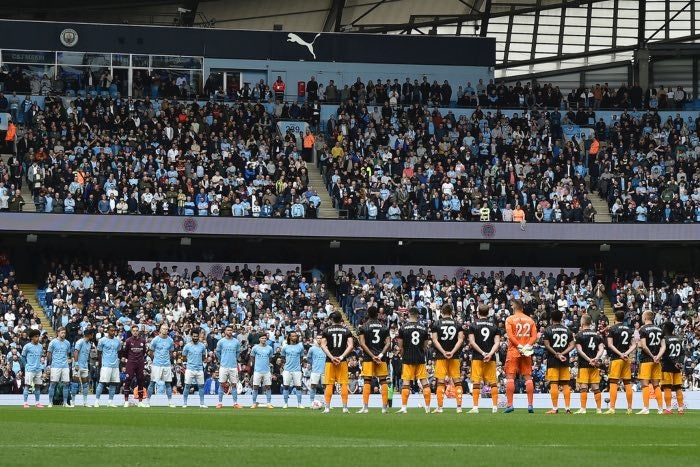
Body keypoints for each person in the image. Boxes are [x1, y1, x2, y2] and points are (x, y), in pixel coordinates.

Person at [504, 299, 537, 413]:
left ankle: (510, 405)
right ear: (522, 307)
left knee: (510, 377)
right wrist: (527, 346)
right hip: (526, 351)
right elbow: (534, 336)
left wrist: (519, 346)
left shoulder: (510, 319)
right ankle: (530, 405)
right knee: (528, 377)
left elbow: (510, 336)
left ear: (514, 306)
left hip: (514, 351)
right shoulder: (530, 320)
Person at [396, 307, 432, 414]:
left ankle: (404, 407)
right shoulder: (423, 328)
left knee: (406, 383)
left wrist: (402, 353)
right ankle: (427, 408)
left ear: (409, 314)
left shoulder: (403, 327)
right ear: (417, 315)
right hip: (420, 358)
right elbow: (426, 346)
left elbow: (400, 345)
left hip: (407, 358)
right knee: (424, 382)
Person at [430, 304, 465, 413]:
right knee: (457, 382)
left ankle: (440, 408)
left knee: (440, 382)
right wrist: (452, 352)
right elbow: (460, 339)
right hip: (454, 356)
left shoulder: (436, 324)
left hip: (441, 356)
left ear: (441, 311)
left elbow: (435, 340)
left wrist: (443, 352)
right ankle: (459, 407)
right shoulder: (458, 324)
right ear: (452, 312)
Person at [468, 305, 502, 414]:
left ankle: (475, 407)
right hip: (490, 358)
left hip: (478, 357)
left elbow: (472, 342)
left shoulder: (473, 325)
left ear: (478, 313)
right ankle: (495, 407)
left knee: (476, 382)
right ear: (488, 313)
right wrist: (490, 354)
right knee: (493, 382)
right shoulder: (494, 326)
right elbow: (497, 343)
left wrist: (483, 353)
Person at [357, 306, 391, 414]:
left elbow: (362, 343)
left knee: (367, 380)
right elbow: (388, 343)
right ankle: (384, 408)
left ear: (368, 314)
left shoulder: (363, 327)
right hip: (381, 358)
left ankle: (365, 408)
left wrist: (372, 356)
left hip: (368, 357)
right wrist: (380, 355)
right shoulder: (384, 327)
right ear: (377, 313)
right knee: (383, 381)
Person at [543, 309, 575, 414]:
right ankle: (567, 408)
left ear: (551, 319)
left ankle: (555, 408)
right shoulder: (567, 330)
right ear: (561, 318)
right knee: (565, 383)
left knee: (554, 383)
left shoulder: (548, 330)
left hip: (553, 360)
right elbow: (572, 345)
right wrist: (563, 353)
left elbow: (547, 345)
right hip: (564, 360)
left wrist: (556, 354)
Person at [321, 311, 354, 413]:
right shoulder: (347, 330)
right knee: (344, 384)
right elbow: (351, 346)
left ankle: (327, 408)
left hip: (330, 361)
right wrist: (341, 357)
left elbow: (323, 345)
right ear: (341, 319)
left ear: (331, 319)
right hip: (342, 361)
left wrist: (332, 357)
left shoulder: (326, 330)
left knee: (329, 384)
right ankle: (344, 408)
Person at [605, 311, 636, 414]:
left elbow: (610, 344)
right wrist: (625, 353)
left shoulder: (612, 329)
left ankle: (612, 408)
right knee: (627, 383)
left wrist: (620, 354)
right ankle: (630, 408)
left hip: (616, 359)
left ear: (615, 317)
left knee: (613, 382)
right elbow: (634, 345)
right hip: (626, 359)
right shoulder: (629, 329)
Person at [574, 315, 605, 414]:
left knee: (583, 387)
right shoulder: (597, 335)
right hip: (594, 365)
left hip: (584, 364)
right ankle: (599, 409)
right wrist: (596, 358)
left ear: (582, 323)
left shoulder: (579, 335)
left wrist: (589, 359)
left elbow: (579, 350)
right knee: (596, 387)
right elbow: (601, 349)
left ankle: (583, 409)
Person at [637, 310, 664, 415]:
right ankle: (660, 408)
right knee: (656, 385)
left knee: (645, 384)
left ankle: (646, 408)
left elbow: (643, 345)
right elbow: (663, 346)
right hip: (657, 361)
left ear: (645, 318)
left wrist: (652, 356)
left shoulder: (642, 329)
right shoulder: (659, 329)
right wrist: (657, 356)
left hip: (646, 360)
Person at [146, 324, 175, 408]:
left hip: (166, 364)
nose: (165, 330)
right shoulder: (155, 340)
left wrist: (167, 360)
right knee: (152, 382)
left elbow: (171, 352)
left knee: (168, 383)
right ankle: (148, 401)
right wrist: (155, 359)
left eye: (166, 329)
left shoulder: (170, 340)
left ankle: (170, 402)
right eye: (163, 329)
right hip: (156, 364)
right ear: (160, 330)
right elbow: (151, 352)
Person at [659, 321, 684, 415]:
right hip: (677, 366)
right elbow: (682, 353)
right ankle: (680, 409)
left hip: (667, 366)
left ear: (665, 328)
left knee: (667, 387)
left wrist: (673, 362)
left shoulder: (664, 339)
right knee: (678, 387)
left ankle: (669, 409)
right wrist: (679, 363)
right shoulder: (678, 339)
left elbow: (665, 354)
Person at [95, 324, 122, 408]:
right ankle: (97, 401)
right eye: (112, 331)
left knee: (113, 383)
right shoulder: (102, 340)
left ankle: (110, 401)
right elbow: (99, 353)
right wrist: (100, 364)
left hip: (115, 365)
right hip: (106, 365)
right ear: (108, 331)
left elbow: (118, 351)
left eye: (114, 331)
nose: (113, 332)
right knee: (102, 383)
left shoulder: (117, 341)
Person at [215, 325, 242, 409]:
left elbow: (238, 353)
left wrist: (234, 359)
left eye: (231, 330)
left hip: (233, 366)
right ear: (225, 331)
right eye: (228, 330)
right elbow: (217, 352)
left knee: (234, 385)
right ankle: (220, 403)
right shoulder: (221, 341)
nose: (230, 331)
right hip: (223, 366)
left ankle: (235, 403)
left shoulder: (236, 342)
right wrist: (221, 360)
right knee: (221, 384)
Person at [182, 328, 208, 408]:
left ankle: (202, 403)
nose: (195, 338)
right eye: (194, 336)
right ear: (191, 336)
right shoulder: (187, 346)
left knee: (201, 386)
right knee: (187, 386)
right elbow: (184, 357)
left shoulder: (202, 346)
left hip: (199, 369)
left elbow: (204, 356)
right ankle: (185, 403)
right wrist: (189, 362)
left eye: (197, 336)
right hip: (190, 369)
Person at [122, 326, 147, 407]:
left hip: (140, 363)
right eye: (134, 331)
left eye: (137, 330)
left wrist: (139, 359)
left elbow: (143, 352)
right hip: (131, 363)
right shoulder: (128, 341)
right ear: (131, 332)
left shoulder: (142, 340)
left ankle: (140, 401)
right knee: (128, 380)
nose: (135, 332)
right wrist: (130, 359)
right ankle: (126, 401)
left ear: (138, 331)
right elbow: (125, 352)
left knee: (141, 381)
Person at [47, 326, 72, 407]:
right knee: (53, 383)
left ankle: (65, 403)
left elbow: (67, 354)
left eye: (64, 333)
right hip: (55, 366)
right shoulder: (53, 342)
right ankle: (50, 402)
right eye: (62, 333)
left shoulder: (67, 343)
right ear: (58, 333)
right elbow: (49, 354)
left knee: (66, 384)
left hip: (65, 366)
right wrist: (50, 364)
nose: (64, 334)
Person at [281, 331, 305, 409]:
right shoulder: (285, 347)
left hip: (297, 370)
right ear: (289, 337)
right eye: (293, 336)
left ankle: (299, 403)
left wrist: (298, 364)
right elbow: (283, 357)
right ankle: (285, 403)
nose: (294, 337)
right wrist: (287, 364)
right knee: (286, 386)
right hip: (287, 369)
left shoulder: (300, 346)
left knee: (298, 386)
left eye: (295, 336)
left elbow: (301, 357)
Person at [21, 329, 44, 408]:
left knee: (37, 386)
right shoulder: (27, 346)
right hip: (30, 369)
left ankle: (37, 403)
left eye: (38, 336)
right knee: (27, 385)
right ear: (31, 338)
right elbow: (23, 357)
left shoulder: (40, 346)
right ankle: (25, 403)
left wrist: (40, 365)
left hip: (38, 369)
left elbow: (41, 356)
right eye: (36, 336)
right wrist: (26, 365)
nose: (38, 338)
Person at [250, 334, 274, 408]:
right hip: (257, 370)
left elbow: (270, 358)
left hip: (266, 370)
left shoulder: (270, 348)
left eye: (265, 338)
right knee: (255, 386)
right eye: (262, 338)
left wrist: (266, 364)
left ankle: (269, 403)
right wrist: (256, 365)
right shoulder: (255, 348)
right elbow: (252, 357)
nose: (264, 339)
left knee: (268, 387)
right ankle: (254, 403)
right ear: (259, 339)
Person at [72, 328, 94, 407]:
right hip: (77, 366)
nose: (93, 336)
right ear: (89, 335)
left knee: (85, 385)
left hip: (84, 366)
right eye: (92, 334)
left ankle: (85, 402)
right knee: (75, 384)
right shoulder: (80, 342)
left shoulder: (89, 344)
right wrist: (76, 364)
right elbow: (76, 352)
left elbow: (87, 356)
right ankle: (73, 402)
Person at [306, 336, 326, 406]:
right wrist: (313, 364)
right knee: (313, 386)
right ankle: (311, 402)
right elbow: (308, 358)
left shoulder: (326, 348)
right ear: (315, 339)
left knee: (325, 387)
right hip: (315, 370)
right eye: (318, 338)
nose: (319, 339)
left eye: (321, 338)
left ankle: (327, 403)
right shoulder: (312, 349)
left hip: (325, 370)